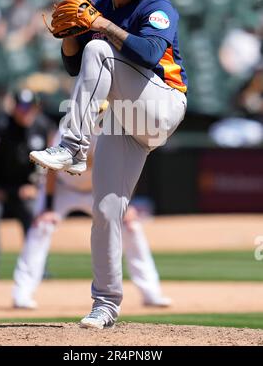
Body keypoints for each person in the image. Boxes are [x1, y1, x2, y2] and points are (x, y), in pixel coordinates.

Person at [30, 0, 187, 329]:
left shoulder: (156, 6)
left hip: (161, 104)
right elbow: (73, 67)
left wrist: (97, 26)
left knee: (99, 51)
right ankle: (105, 304)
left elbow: (150, 55)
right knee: (104, 213)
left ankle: (73, 147)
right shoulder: (98, 4)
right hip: (123, 119)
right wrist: (70, 36)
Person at [13, 127, 172, 309]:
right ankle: (22, 293)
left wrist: (126, 204)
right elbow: (51, 168)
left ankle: (151, 293)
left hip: (99, 190)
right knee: (41, 226)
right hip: (63, 187)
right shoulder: (70, 128)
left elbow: (129, 169)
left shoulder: (117, 130)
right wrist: (48, 206)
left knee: (131, 227)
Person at [0, 88, 54, 279]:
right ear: (14, 108)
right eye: (22, 108)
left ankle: (39, 269)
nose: (26, 112)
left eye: (31, 108)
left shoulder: (43, 126)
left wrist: (36, 187)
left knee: (33, 212)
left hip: (26, 191)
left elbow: (50, 163)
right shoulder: (0, 126)